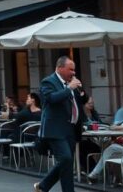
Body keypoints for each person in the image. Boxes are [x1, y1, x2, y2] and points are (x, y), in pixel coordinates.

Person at [35, 56, 86, 192]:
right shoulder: (48, 81)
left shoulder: (71, 84)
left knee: (67, 164)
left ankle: (43, 187)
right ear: (59, 68)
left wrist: (81, 91)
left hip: (71, 129)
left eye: (74, 70)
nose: (73, 72)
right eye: (71, 69)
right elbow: (51, 98)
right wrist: (69, 88)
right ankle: (44, 185)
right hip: (55, 129)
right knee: (65, 159)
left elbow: (81, 102)